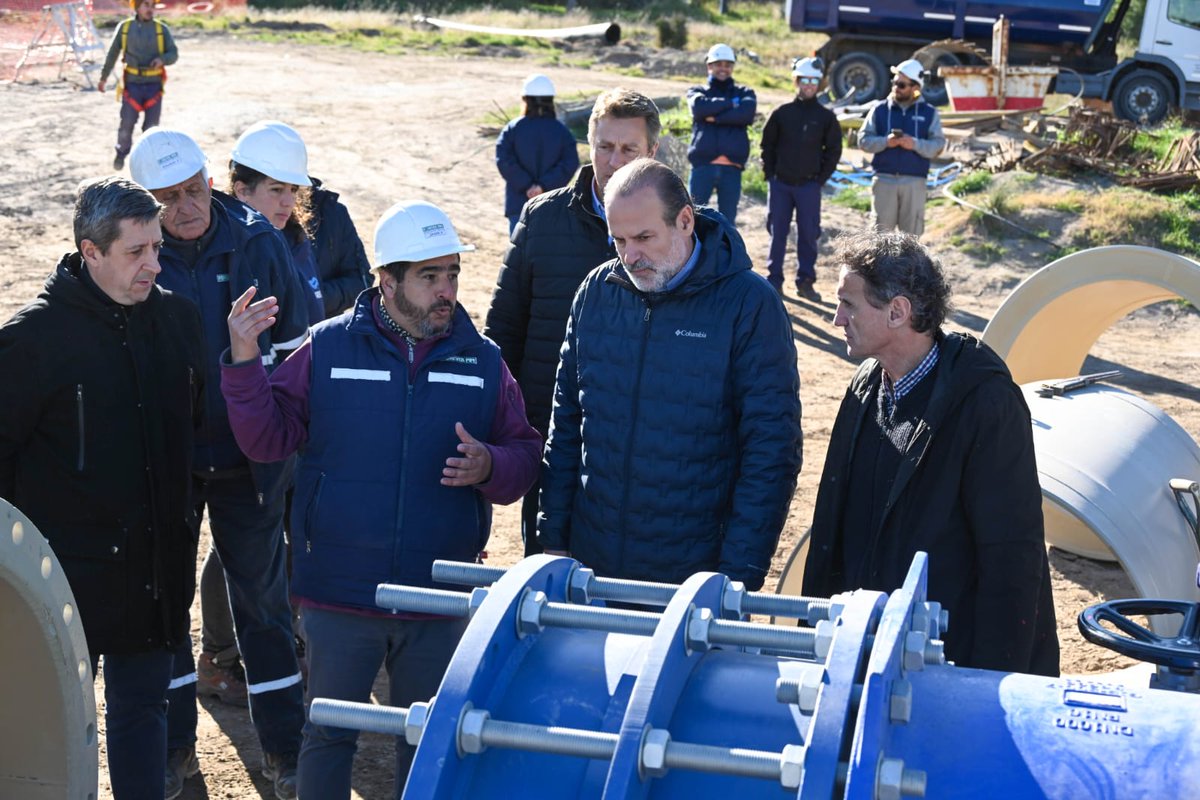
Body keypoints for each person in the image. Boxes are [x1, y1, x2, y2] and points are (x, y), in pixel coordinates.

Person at [219, 200, 541, 798]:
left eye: (451, 274)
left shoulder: (484, 362)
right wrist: (243, 361)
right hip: (340, 593)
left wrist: (492, 464)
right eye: (429, 276)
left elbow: (523, 454)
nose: (446, 290)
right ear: (387, 281)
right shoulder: (325, 350)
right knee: (329, 736)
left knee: (426, 743)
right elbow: (266, 440)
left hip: (435, 597)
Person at [0, 177, 205, 799]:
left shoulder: (177, 321)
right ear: (90, 253)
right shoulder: (30, 342)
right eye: (135, 252)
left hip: (155, 569)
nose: (153, 264)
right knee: (44, 724)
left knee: (143, 712)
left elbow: (191, 436)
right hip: (60, 582)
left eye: (156, 248)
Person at [128, 127, 308, 800]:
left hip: (248, 462)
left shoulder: (259, 241)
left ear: (212, 179)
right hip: (166, 464)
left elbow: (296, 351)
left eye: (194, 188)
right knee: (166, 606)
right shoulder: (134, 248)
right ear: (145, 202)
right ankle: (174, 752)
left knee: (262, 609)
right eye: (167, 197)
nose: (185, 206)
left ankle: (286, 754)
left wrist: (290, 447)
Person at [802, 231, 1059, 676]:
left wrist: (993, 681)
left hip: (949, 666)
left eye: (849, 305)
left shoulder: (985, 403)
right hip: (869, 654)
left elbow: (1012, 555)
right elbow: (833, 526)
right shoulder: (865, 387)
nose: (837, 319)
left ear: (898, 312)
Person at [538, 158, 802, 590]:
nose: (630, 256)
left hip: (693, 581)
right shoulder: (595, 293)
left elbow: (771, 450)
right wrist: (554, 541)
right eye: (618, 239)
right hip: (591, 569)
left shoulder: (749, 305)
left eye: (644, 237)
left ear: (684, 221)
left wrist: (737, 577)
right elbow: (566, 426)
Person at [484, 87, 661, 558]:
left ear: (653, 153)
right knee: (546, 576)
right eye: (605, 147)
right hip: (552, 444)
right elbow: (503, 331)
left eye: (629, 149)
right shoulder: (542, 221)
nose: (615, 160)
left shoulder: (685, 229)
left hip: (648, 454)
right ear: (589, 145)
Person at [761, 56, 843, 301]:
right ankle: (773, 280)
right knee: (778, 232)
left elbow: (834, 151)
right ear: (796, 81)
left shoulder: (825, 118)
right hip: (781, 185)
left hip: (808, 186)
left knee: (808, 234)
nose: (808, 85)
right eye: (804, 80)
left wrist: (819, 180)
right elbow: (768, 146)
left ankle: (805, 281)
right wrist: (771, 177)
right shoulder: (782, 114)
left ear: (819, 84)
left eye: (813, 81)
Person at [858, 59, 945, 237]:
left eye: (902, 84)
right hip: (884, 180)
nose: (896, 87)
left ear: (915, 88)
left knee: (911, 244)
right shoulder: (879, 110)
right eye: (894, 82)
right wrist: (885, 142)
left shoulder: (930, 113)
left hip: (914, 183)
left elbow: (938, 146)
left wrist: (915, 144)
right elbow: (863, 140)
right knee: (879, 242)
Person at [495, 73, 580, 236]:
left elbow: (504, 160)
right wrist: (543, 186)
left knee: (518, 254)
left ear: (525, 99)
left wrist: (527, 185)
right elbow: (569, 163)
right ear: (551, 100)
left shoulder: (513, 129)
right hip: (552, 204)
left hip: (519, 203)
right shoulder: (561, 131)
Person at [98, 0, 178, 171]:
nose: (150, 9)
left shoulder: (161, 30)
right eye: (146, 5)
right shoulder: (125, 28)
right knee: (126, 123)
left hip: (154, 87)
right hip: (132, 85)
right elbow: (113, 53)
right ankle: (121, 153)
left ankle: (148, 162)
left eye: (153, 6)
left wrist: (162, 59)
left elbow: (174, 53)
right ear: (137, 7)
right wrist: (103, 77)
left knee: (151, 128)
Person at [686, 43, 756, 225]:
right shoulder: (697, 92)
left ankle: (723, 255)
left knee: (727, 224)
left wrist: (714, 117)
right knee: (693, 220)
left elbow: (746, 114)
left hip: (731, 169)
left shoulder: (745, 93)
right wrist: (732, 104)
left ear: (732, 67)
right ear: (709, 66)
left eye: (727, 64)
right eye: (718, 64)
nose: (723, 69)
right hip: (703, 166)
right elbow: (699, 108)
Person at [308, 176, 372, 318]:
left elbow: (362, 281)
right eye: (276, 189)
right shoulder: (253, 217)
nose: (286, 200)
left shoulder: (333, 213)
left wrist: (316, 298)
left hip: (320, 332)